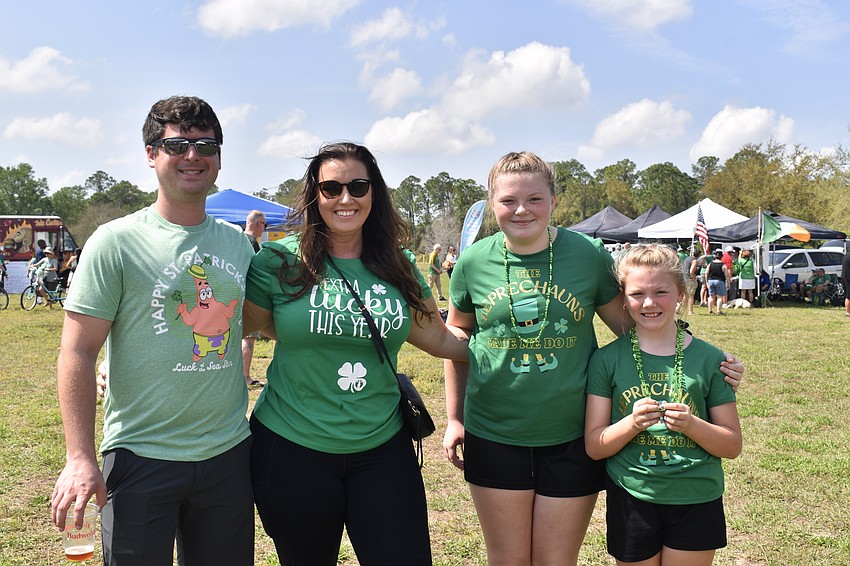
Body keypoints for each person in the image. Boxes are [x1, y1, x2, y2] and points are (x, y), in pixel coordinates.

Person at [442, 151, 744, 566]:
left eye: (534, 198)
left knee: (555, 559)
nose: (521, 210)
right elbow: (458, 340)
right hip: (495, 432)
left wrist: (704, 359)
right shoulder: (473, 262)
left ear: (552, 200)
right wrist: (455, 418)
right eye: (508, 200)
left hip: (572, 435)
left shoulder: (586, 254)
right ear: (492, 203)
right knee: (507, 559)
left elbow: (635, 325)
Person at [50, 95, 255, 565]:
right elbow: (76, 351)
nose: (192, 156)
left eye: (205, 145)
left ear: (219, 157)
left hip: (227, 455)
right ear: (150, 154)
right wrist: (79, 457)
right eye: (177, 144)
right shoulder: (115, 242)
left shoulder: (241, 246)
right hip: (140, 456)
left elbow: (269, 323)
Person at [242, 142, 469, 565]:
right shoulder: (279, 260)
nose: (345, 198)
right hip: (291, 448)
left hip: (382, 450)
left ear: (374, 193)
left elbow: (440, 340)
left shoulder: (398, 263)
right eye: (331, 188)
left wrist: (510, 343)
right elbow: (227, 331)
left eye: (358, 186)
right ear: (314, 195)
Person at [585, 243, 742, 565]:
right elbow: (594, 446)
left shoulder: (711, 360)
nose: (649, 303)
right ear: (624, 300)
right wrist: (631, 423)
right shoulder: (606, 360)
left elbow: (732, 445)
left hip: (697, 495)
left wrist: (692, 425)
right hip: (632, 494)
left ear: (681, 294)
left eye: (661, 292)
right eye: (637, 293)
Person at [242, 209, 267, 387]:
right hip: (249, 298)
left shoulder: (236, 239)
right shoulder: (252, 243)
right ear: (258, 225)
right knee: (249, 339)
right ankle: (245, 376)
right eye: (264, 225)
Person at [706, 250, 730, 315]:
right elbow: (726, 275)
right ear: (721, 257)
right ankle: (718, 311)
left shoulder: (710, 264)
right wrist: (728, 283)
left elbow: (706, 273)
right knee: (720, 297)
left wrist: (706, 281)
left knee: (711, 296)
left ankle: (709, 310)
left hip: (710, 281)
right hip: (720, 281)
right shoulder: (723, 265)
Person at [843, 251, 850, 317]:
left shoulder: (846, 255)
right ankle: (848, 312)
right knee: (849, 296)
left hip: (845, 276)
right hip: (848, 278)